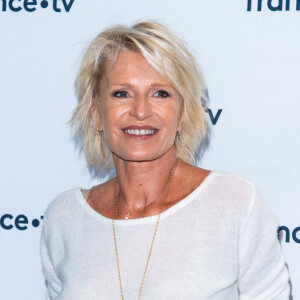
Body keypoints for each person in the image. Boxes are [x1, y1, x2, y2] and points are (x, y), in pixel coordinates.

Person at [40, 20, 290, 299]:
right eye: (121, 93)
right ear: (96, 113)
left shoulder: (234, 203)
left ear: (182, 114)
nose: (141, 111)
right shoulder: (64, 217)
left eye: (160, 93)